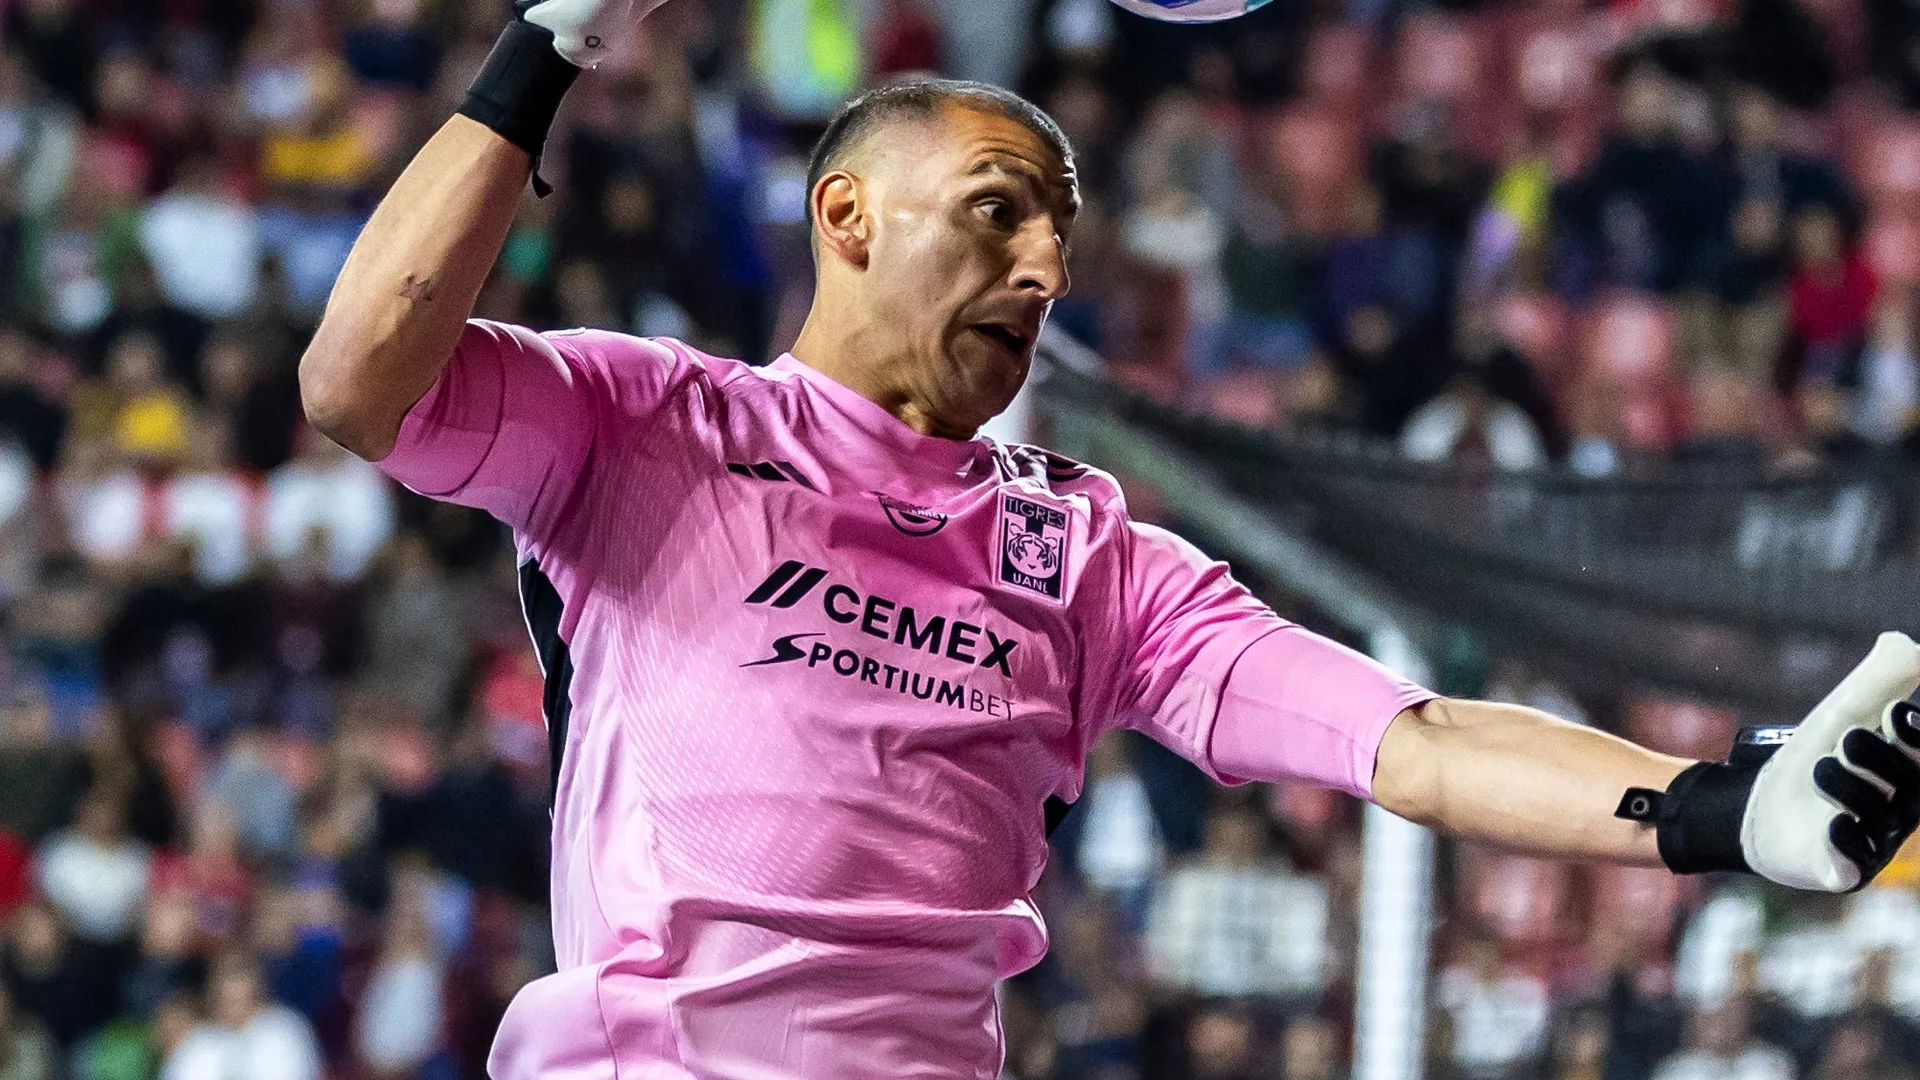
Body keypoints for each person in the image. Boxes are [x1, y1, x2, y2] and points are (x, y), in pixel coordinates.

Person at [297, 3, 1920, 1076]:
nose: (1044, 266)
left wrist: (1720, 813)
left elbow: (1409, 743)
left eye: (1060, 235)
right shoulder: (652, 425)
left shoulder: (1085, 554)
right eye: (997, 210)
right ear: (845, 217)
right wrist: (549, 44)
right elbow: (357, 379)